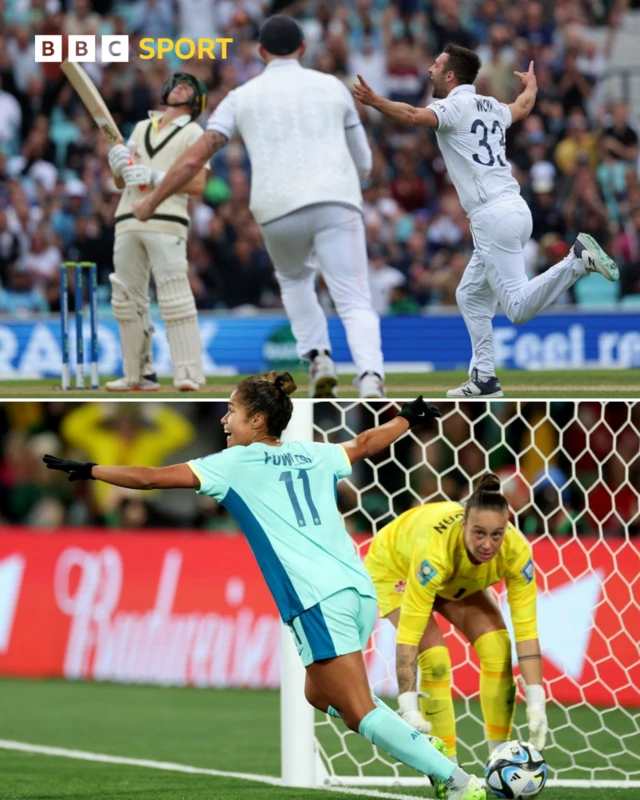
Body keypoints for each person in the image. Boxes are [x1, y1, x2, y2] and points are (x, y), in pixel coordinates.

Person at [44, 375, 485, 800]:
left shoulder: (235, 464)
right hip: (358, 589)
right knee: (318, 694)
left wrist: (91, 468)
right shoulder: (312, 453)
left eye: (232, 411)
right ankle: (423, 750)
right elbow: (366, 442)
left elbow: (150, 478)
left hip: (316, 598)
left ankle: (454, 777)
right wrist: (407, 417)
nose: (223, 420)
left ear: (257, 420)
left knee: (359, 708)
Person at [131, 15, 387, 400]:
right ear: (303, 48)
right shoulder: (333, 87)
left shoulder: (241, 96)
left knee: (296, 281)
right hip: (336, 200)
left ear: (261, 51)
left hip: (276, 209)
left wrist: (151, 199)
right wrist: (356, 180)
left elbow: (191, 159)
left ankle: (319, 361)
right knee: (352, 296)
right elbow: (364, 162)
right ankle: (370, 377)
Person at [354, 44, 619, 398]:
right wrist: (532, 85)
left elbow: (411, 116)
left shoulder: (452, 106)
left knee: (517, 308)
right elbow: (524, 107)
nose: (430, 69)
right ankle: (484, 378)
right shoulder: (491, 105)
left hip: (491, 216)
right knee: (470, 296)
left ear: (451, 75)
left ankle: (576, 261)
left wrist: (375, 102)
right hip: (512, 208)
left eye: (436, 65)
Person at [364, 475, 547, 775]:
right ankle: (447, 772)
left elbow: (526, 630)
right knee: (435, 658)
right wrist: (408, 705)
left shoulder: (516, 552)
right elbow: (410, 635)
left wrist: (537, 700)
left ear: (507, 529)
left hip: (455, 578)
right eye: (479, 534)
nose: (488, 545)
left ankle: (499, 764)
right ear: (463, 524)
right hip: (394, 565)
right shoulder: (435, 552)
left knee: (497, 647)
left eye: (496, 535)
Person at [106, 72, 209, 392]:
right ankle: (139, 374)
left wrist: (155, 176)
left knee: (174, 297)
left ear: (196, 102)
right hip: (127, 217)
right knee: (126, 299)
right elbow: (121, 183)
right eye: (177, 83)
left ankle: (189, 373)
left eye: (188, 87)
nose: (180, 86)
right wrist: (117, 167)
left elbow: (197, 184)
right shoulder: (139, 128)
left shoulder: (194, 132)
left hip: (167, 219)